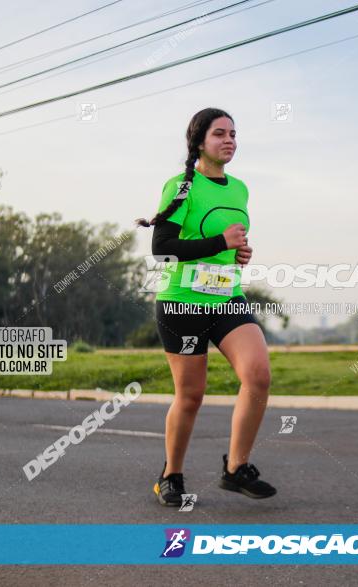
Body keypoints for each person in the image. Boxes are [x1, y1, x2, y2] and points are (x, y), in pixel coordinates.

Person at [135, 107, 277, 507]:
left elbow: (228, 240)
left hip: (227, 298)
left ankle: (235, 468)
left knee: (258, 375)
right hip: (183, 303)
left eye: (233, 133)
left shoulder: (240, 188)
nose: (229, 140)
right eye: (219, 134)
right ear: (199, 142)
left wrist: (240, 252)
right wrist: (221, 243)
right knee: (191, 395)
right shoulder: (182, 187)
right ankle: (170, 476)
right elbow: (162, 249)